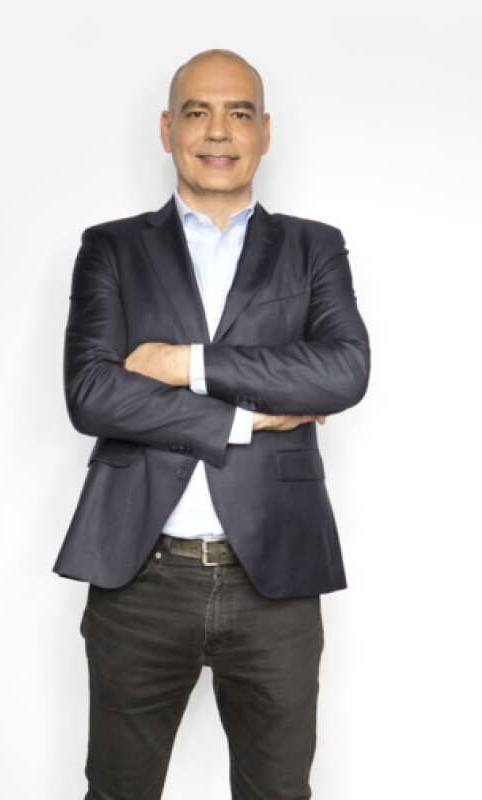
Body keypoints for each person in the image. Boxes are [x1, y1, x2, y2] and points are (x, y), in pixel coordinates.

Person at [54, 48, 370, 800]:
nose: (218, 131)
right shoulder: (111, 248)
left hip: (277, 576)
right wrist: (244, 421)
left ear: (265, 132)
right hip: (140, 574)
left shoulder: (313, 247)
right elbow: (92, 393)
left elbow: (342, 372)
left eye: (238, 113)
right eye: (197, 112)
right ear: (168, 129)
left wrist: (183, 363)